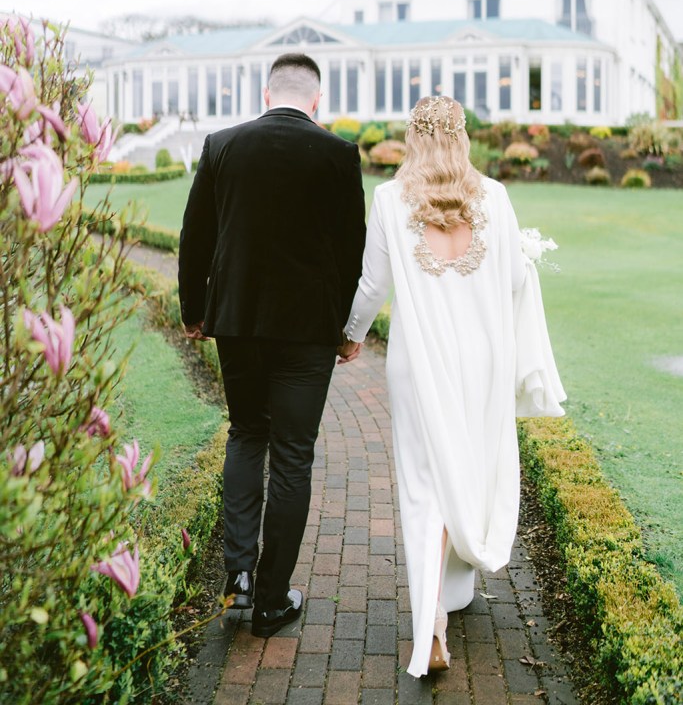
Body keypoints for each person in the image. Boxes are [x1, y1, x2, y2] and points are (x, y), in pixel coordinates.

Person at [338, 96, 565, 677]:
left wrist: (350, 335)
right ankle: (449, 594)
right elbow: (514, 277)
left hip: (419, 364)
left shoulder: (390, 199)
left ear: (413, 137)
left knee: (422, 486)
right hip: (483, 362)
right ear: (462, 137)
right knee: (467, 465)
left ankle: (433, 619)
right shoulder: (495, 196)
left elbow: (371, 284)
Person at [178, 52, 366, 638]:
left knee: (246, 432)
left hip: (235, 321)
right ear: (316, 100)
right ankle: (270, 597)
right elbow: (351, 250)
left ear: (266, 93)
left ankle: (237, 576)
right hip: (308, 329)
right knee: (292, 454)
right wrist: (344, 327)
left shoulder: (222, 145)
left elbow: (195, 236)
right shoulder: (338, 153)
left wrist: (193, 311)